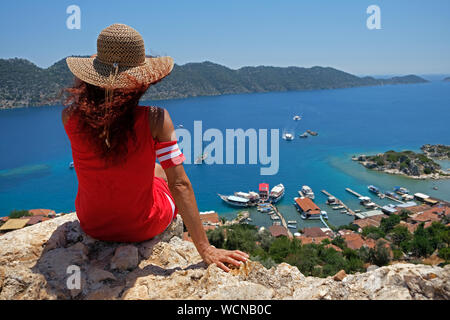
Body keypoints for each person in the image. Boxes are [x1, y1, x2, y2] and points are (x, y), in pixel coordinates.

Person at [62, 23, 248, 272]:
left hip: (92, 224)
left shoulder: (69, 117)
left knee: (154, 169)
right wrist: (205, 248)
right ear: (140, 80)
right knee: (160, 171)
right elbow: (179, 184)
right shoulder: (156, 119)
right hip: (142, 227)